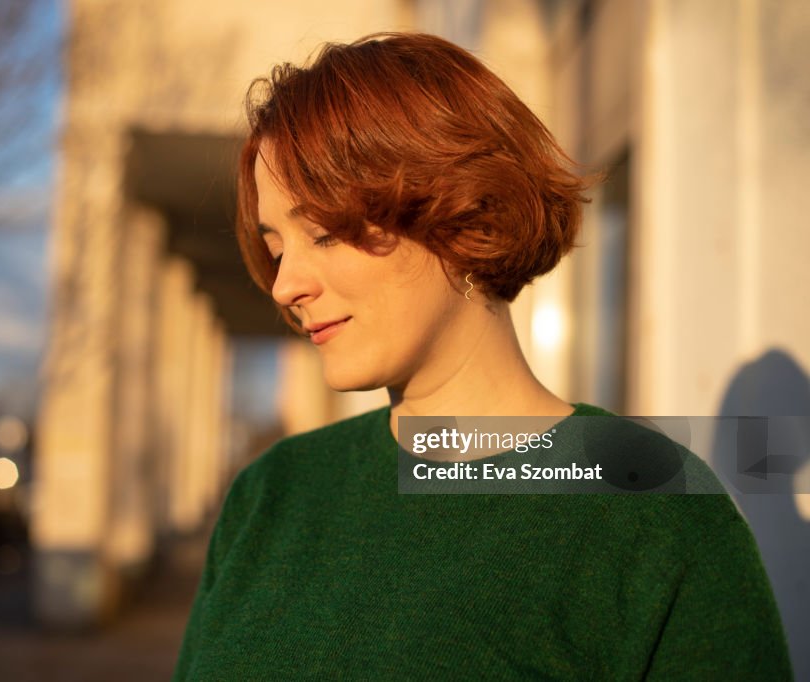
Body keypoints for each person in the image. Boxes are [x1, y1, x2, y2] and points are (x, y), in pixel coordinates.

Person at [173, 33, 792, 680]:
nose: (284, 285)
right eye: (276, 248)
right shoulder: (270, 498)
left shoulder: (653, 515)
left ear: (464, 216)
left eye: (325, 233)